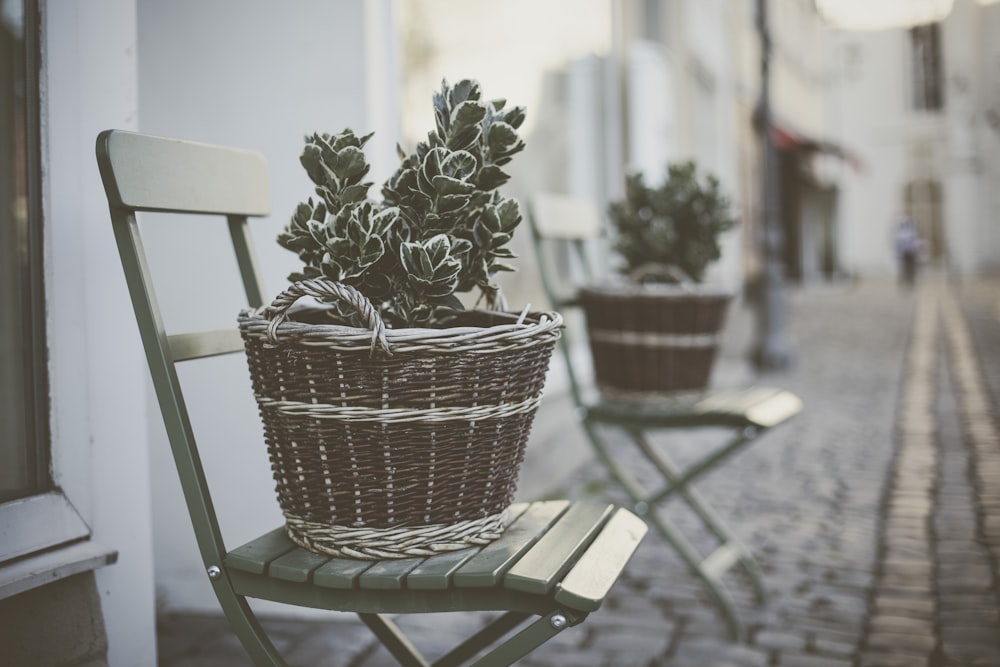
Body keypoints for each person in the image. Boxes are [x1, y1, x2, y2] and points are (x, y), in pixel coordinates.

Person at [895, 216, 922, 287]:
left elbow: (913, 242)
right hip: (904, 253)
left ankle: (910, 281)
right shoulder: (901, 233)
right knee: (904, 268)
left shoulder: (911, 232)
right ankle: (905, 281)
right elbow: (899, 244)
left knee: (910, 268)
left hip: (909, 252)